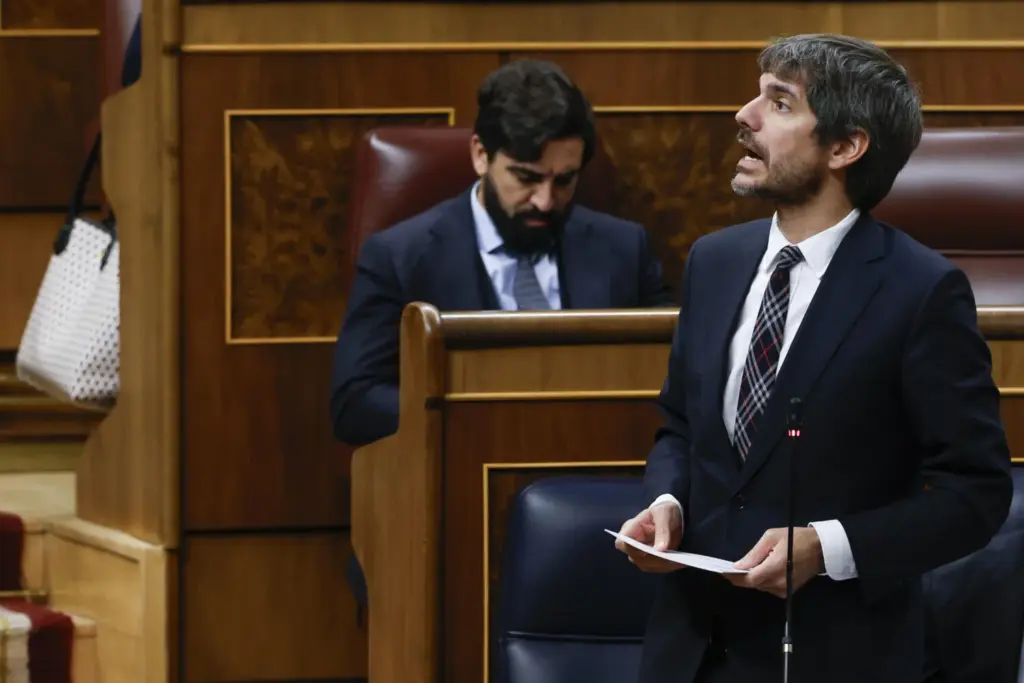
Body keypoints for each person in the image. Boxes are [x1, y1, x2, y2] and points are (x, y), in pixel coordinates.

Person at [615, 33, 1012, 683]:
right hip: (689, 650)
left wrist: (830, 548)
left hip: (833, 653)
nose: (743, 116)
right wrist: (668, 502)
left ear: (844, 146)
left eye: (778, 102)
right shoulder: (713, 261)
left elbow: (977, 493)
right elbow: (681, 428)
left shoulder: (920, 292)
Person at [330, 58, 675, 448]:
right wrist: (494, 418)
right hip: (463, 469)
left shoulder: (624, 248)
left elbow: (673, 378)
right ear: (481, 154)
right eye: (526, 178)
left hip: (599, 467)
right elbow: (354, 403)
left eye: (564, 180)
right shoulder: (399, 256)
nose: (546, 201)